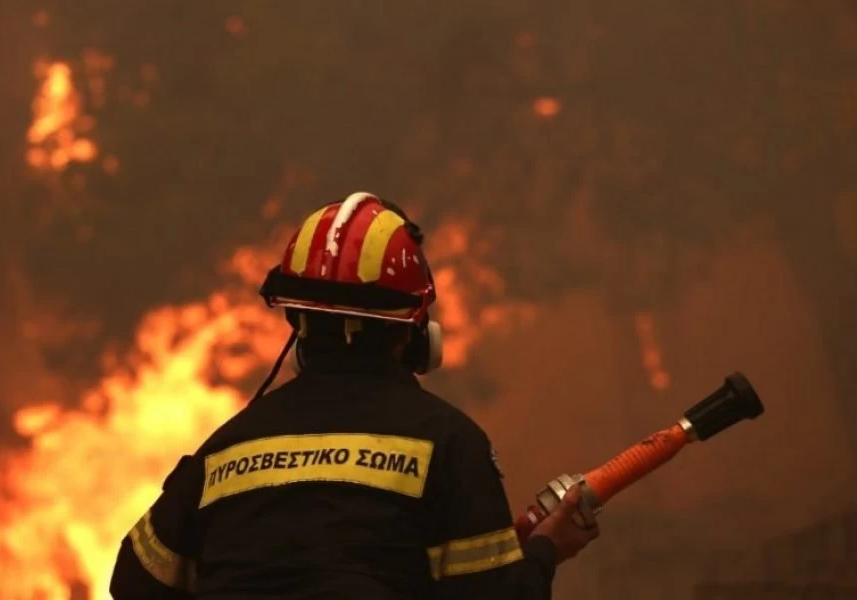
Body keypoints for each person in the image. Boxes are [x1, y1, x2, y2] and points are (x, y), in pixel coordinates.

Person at [110, 192, 599, 599]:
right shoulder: (450, 446)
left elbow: (135, 580)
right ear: (416, 330)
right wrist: (545, 551)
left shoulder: (227, 449)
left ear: (296, 325)